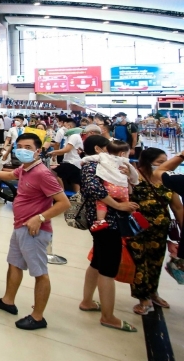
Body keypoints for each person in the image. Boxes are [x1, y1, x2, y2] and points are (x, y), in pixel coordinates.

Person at [0, 133, 70, 330]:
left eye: (28, 147)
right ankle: (8, 300)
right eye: (20, 146)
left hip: (34, 230)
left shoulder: (43, 173)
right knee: (14, 264)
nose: (23, 150)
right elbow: (9, 175)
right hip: (19, 226)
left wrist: (40, 218)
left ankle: (38, 316)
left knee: (40, 273)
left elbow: (64, 203)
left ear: (38, 151)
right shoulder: (26, 168)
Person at [78, 135, 140, 331]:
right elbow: (94, 189)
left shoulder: (109, 165)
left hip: (105, 222)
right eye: (108, 149)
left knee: (98, 261)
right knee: (108, 268)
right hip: (107, 223)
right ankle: (108, 316)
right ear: (98, 149)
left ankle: (87, 301)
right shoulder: (92, 166)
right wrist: (118, 206)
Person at [127, 147, 184, 315]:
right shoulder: (134, 178)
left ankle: (153, 292)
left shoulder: (168, 182)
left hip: (160, 231)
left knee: (155, 263)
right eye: (159, 162)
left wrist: (181, 231)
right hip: (137, 229)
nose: (164, 165)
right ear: (146, 161)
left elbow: (178, 207)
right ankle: (143, 298)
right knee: (139, 264)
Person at [90, 140, 136, 232]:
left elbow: (89, 158)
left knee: (101, 202)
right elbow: (134, 176)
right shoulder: (127, 163)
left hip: (109, 188)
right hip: (123, 189)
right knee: (127, 202)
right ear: (123, 153)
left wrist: (82, 161)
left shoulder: (103, 157)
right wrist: (133, 179)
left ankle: (100, 220)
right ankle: (134, 215)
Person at [50, 120, 84, 193]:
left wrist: (54, 152)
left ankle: (61, 193)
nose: (63, 128)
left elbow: (67, 149)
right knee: (74, 181)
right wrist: (56, 154)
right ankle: (78, 198)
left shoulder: (74, 136)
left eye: (65, 126)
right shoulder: (74, 136)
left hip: (71, 162)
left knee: (56, 173)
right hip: (75, 162)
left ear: (70, 126)